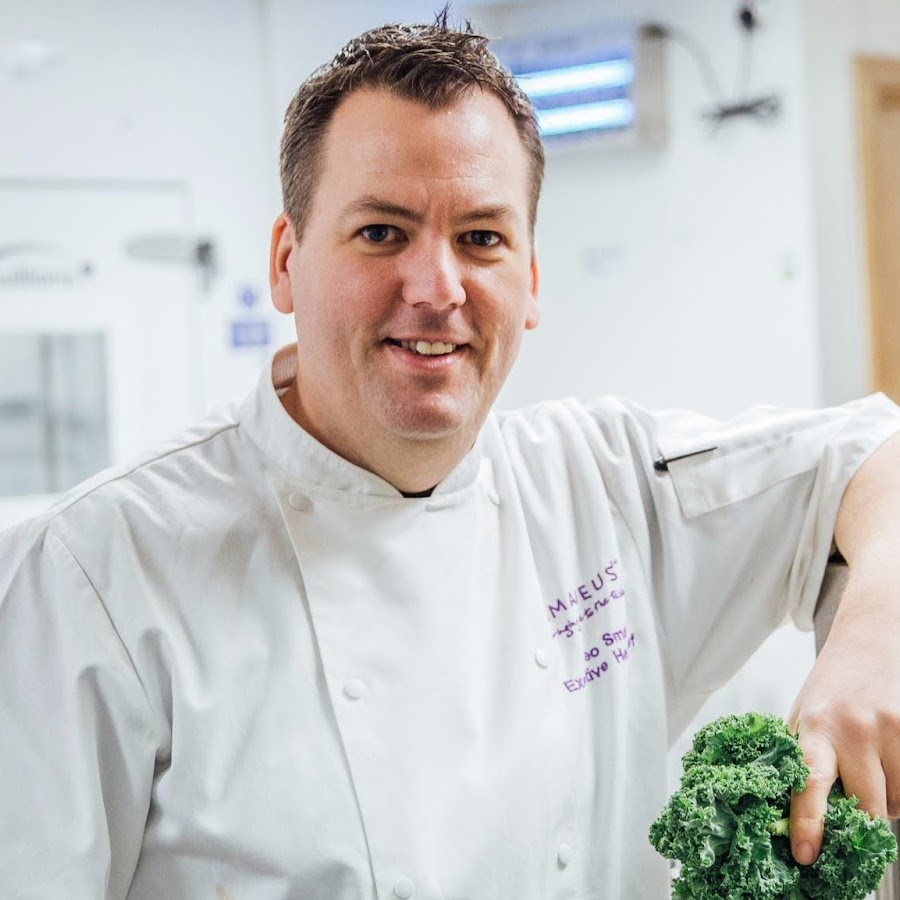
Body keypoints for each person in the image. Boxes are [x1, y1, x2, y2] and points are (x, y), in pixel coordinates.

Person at [2, 11, 900, 900]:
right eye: (381, 232)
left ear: (531, 280)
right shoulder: (93, 573)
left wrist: (874, 631)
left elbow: (870, 452)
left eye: (481, 238)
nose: (437, 289)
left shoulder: (604, 486)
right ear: (285, 262)